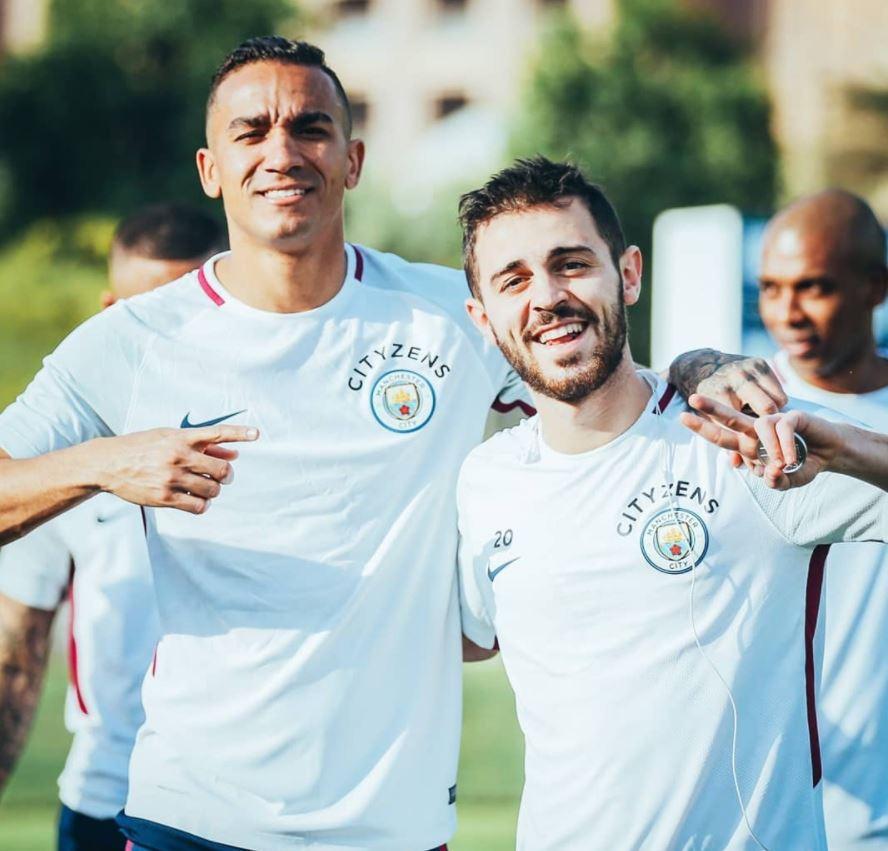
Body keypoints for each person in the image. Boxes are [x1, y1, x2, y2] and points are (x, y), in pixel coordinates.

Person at [0, 39, 776, 851]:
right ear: (209, 167)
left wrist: (701, 364)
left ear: (352, 157)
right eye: (251, 131)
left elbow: (606, 383)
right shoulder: (135, 338)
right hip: (192, 815)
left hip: (393, 828)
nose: (282, 152)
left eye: (310, 126)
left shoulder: (450, 315)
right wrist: (104, 464)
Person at [455, 157, 888, 850]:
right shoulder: (485, 480)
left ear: (628, 273)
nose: (546, 296)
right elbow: (468, 635)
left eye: (570, 263)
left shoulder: (740, 431)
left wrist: (859, 447)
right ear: (482, 316)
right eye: (514, 279)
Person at [0, 203, 225, 851]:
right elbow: (16, 655)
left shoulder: (263, 438)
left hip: (231, 803)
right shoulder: (55, 461)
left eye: (185, 312)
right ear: (107, 313)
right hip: (103, 799)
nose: (166, 338)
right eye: (143, 313)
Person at [756, 191, 888, 849]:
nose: (787, 312)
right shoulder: (737, 410)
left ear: (875, 288)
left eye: (814, 287)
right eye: (772, 288)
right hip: (765, 813)